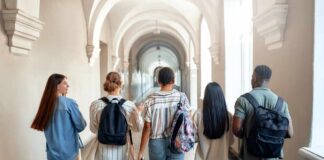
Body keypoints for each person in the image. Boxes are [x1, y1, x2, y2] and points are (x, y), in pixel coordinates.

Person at [232, 65, 294, 160]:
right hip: (274, 155)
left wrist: (250, 135)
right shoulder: (282, 103)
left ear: (254, 78)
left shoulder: (243, 100)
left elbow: (236, 129)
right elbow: (290, 133)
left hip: (251, 154)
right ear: (268, 80)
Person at [138, 67, 191, 160]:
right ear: (174, 80)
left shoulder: (151, 99)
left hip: (156, 143)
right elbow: (187, 119)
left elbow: (147, 127)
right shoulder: (182, 97)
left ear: (158, 81)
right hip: (177, 140)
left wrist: (141, 151)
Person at [31, 73, 87, 160]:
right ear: (57, 86)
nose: (68, 85)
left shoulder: (45, 106)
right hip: (70, 153)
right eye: (64, 83)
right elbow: (81, 126)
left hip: (52, 154)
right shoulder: (69, 103)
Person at [89, 71, 143, 160]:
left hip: (102, 150)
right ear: (121, 85)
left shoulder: (95, 105)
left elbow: (93, 129)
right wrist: (139, 113)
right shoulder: (130, 105)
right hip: (122, 151)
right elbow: (137, 128)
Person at [193, 82, 234, 160]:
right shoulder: (228, 116)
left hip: (202, 157)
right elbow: (231, 141)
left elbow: (194, 138)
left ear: (206, 96)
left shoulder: (198, 114)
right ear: (221, 96)